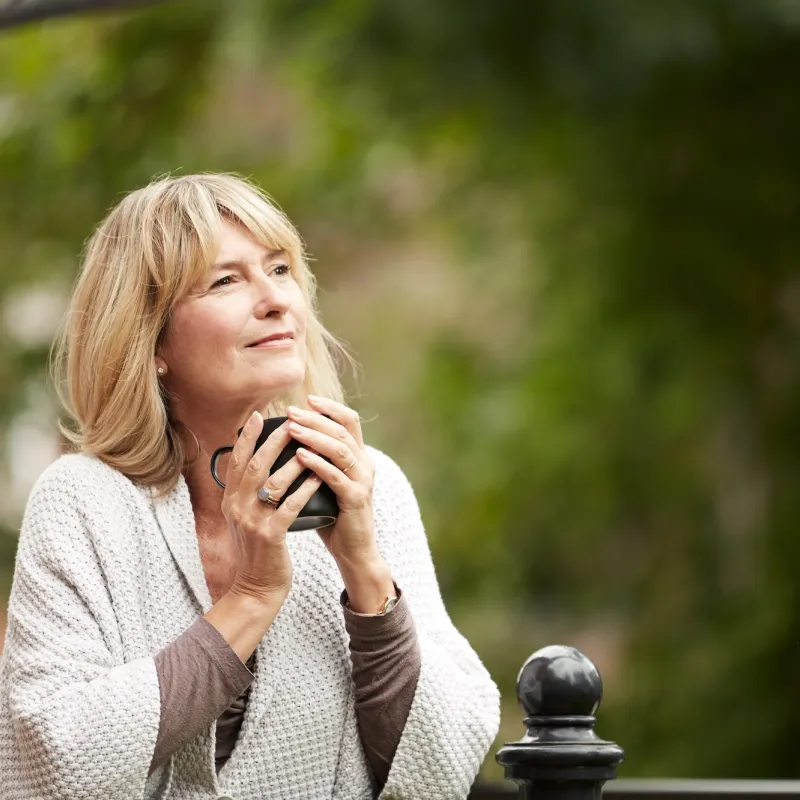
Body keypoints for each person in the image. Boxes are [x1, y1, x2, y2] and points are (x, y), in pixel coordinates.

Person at [0, 173, 500, 799]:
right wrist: (252, 595)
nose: (275, 300)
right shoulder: (83, 502)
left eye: (281, 269)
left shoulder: (372, 487)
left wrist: (365, 568)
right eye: (227, 280)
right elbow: (53, 759)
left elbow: (442, 766)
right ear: (152, 340)